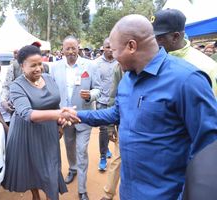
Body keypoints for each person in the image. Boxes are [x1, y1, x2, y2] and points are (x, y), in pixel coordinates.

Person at [65, 14, 217, 199]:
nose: (112, 57)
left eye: (114, 50)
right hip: (129, 192)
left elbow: (209, 150)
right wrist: (77, 115)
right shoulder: (128, 78)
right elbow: (116, 113)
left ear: (131, 46)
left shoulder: (187, 80)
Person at [2, 45, 80, 200]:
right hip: (26, 134)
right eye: (33, 65)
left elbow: (55, 103)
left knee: (51, 170)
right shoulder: (16, 86)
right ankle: (35, 195)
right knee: (31, 169)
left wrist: (60, 123)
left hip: (48, 132)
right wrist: (59, 113)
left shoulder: (49, 79)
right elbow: (27, 114)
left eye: (40, 63)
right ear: (22, 66)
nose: (38, 68)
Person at [50, 35, 101, 200]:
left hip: (84, 116)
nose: (71, 51)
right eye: (67, 48)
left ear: (79, 47)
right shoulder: (55, 67)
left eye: (74, 48)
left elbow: (98, 89)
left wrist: (90, 96)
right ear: (62, 50)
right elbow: (52, 91)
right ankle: (72, 169)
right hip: (65, 118)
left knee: (81, 150)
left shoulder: (90, 65)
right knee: (70, 146)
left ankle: (82, 189)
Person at [152, 8, 217, 96]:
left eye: (159, 38)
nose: (153, 42)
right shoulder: (150, 60)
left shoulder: (206, 67)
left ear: (175, 37)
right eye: (151, 37)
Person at [95, 37, 118, 171]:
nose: (110, 49)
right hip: (102, 101)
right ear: (103, 47)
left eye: (112, 46)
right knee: (103, 129)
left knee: (114, 127)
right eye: (107, 47)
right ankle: (103, 156)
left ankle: (110, 149)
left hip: (117, 101)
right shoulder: (96, 63)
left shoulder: (120, 62)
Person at [100, 63, 123, 200]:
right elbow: (113, 97)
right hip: (125, 124)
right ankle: (108, 195)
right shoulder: (119, 67)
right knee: (118, 159)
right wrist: (110, 126)